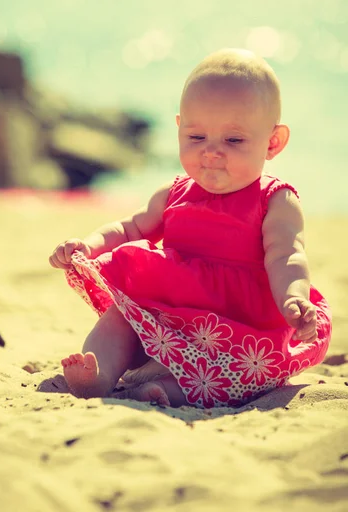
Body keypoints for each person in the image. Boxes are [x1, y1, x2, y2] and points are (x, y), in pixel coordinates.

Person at [49, 48, 331, 409]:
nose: (211, 152)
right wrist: (87, 246)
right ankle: (98, 374)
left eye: (233, 140)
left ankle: (167, 391)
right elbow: (129, 229)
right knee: (121, 317)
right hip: (171, 315)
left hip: (233, 329)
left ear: (272, 142)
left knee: (227, 377)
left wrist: (294, 297)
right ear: (180, 127)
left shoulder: (274, 200)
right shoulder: (174, 192)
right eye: (197, 138)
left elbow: (287, 254)